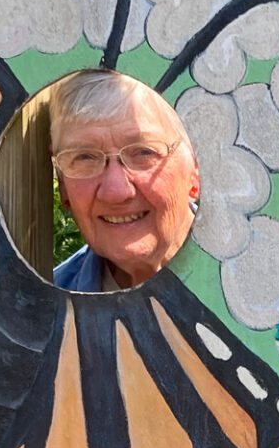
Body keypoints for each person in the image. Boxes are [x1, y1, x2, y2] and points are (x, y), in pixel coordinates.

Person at [49, 70, 200, 293]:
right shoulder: (43, 306)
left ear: (195, 172)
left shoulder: (252, 274)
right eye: (85, 158)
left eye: (144, 152)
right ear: (64, 189)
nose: (115, 192)